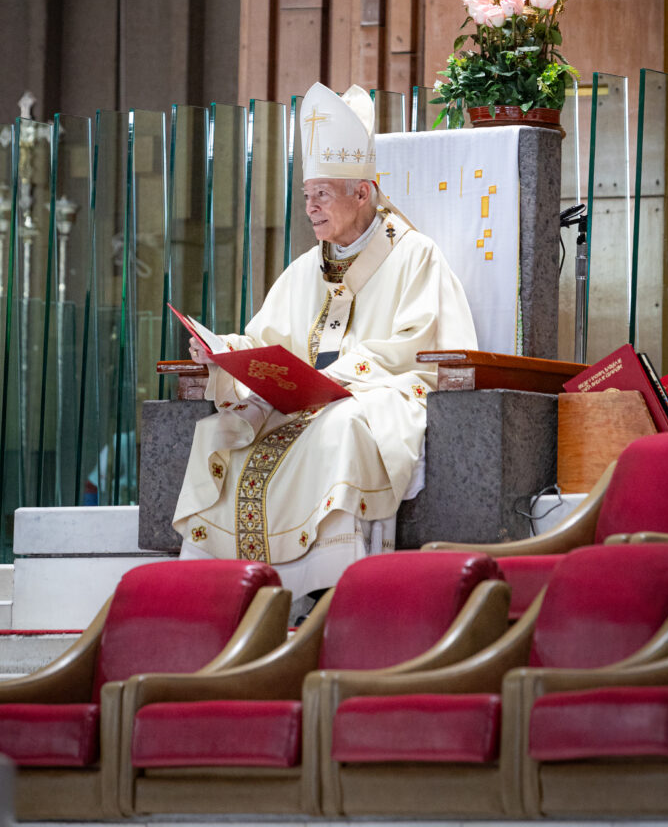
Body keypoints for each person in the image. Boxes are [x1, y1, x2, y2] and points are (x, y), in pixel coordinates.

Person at [173, 82, 477, 599]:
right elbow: (264, 342)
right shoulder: (302, 270)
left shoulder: (414, 256)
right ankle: (218, 591)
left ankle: (326, 586)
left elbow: (417, 347)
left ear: (362, 193)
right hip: (303, 402)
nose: (311, 208)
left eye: (323, 195)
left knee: (340, 426)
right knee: (217, 433)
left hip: (382, 396)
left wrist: (331, 381)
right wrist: (220, 354)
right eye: (307, 195)